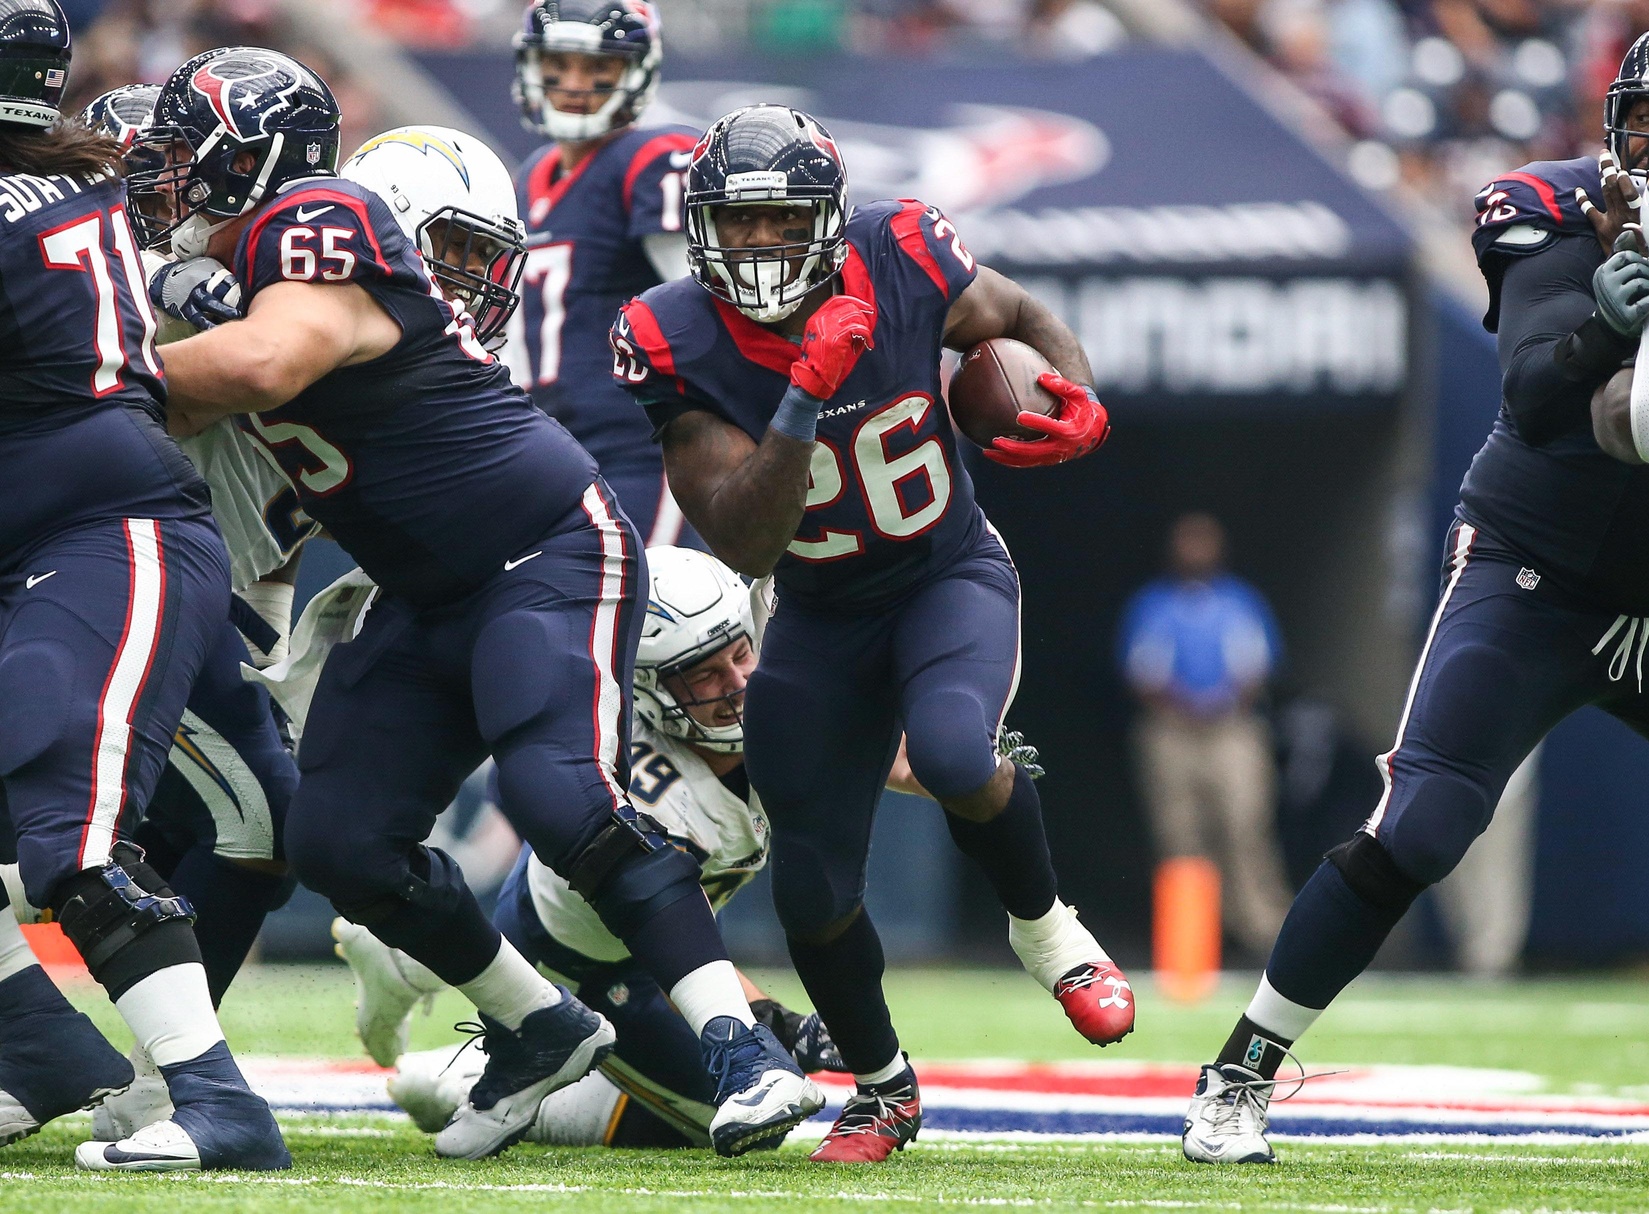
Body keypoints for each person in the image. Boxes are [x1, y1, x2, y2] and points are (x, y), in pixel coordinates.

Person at [133, 46, 821, 1161]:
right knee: (337, 838)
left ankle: (741, 1050)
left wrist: (92, 377)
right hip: (425, 591)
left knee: (558, 793)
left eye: (182, 156)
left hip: (545, 549)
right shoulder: (225, 260)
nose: (164, 177)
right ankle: (536, 1024)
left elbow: (259, 366)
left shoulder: (317, 223)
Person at [609, 104, 1128, 1163]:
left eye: (780, 222)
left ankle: (1049, 934)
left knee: (948, 751)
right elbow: (745, 540)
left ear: (829, 219)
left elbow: (1019, 313)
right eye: (735, 225)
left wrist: (1078, 392)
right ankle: (882, 1089)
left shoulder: (898, 251)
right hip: (818, 609)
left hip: (944, 573)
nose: (756, 247)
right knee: (809, 883)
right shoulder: (674, 334)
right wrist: (802, 392)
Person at [1182, 32, 1649, 1167]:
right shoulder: (1556, 209)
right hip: (1532, 570)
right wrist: (1607, 322)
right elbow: (1539, 395)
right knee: (1423, 820)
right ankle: (1240, 1067)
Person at [0, 3, 287, 1172]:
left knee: (76, 835)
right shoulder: (71, 187)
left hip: (101, 538)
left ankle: (219, 1100)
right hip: (62, 538)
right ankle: (32, 1046)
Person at [329, 546, 847, 1150]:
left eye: (740, 654)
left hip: (620, 938)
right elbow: (669, 950)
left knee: (772, 1064)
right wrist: (776, 1021)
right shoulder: (660, 798)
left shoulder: (763, 708)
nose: (735, 685)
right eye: (704, 674)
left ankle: (413, 962)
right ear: (648, 687)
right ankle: (464, 1079)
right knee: (747, 1119)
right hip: (587, 970)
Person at [507, 0, 703, 546]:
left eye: (599, 67)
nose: (574, 82)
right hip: (554, 457)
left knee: (651, 618)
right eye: (559, 64)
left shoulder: (655, 156)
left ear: (637, 72)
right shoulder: (530, 177)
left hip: (646, 453)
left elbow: (712, 306)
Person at [1118, 511, 1290, 959]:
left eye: (1204, 542)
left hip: (1233, 728)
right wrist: (1185, 706)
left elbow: (1260, 667)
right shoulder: (1152, 604)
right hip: (1170, 732)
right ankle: (1191, 942)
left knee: (1246, 825)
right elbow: (1139, 672)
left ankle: (1265, 936)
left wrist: (1220, 703)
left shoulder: (1240, 601)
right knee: (1179, 835)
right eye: (1187, 542)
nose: (1195, 551)